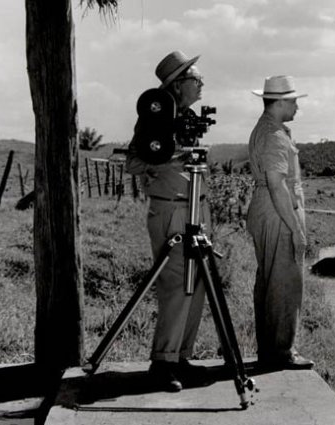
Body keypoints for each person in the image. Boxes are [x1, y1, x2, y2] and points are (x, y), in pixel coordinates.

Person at [125, 50, 209, 392]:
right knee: (176, 285)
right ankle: (162, 363)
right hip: (171, 210)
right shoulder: (155, 119)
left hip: (194, 209)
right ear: (177, 86)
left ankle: (181, 357)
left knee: (197, 284)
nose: (201, 84)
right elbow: (133, 162)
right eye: (195, 79)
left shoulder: (186, 118)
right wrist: (171, 154)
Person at [246, 75, 314, 370]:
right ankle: (281, 351)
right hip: (277, 212)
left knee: (271, 281)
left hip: (268, 210)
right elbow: (278, 185)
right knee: (284, 283)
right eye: (294, 100)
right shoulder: (273, 135)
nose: (297, 106)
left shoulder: (271, 130)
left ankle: (271, 350)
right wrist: (296, 230)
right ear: (281, 102)